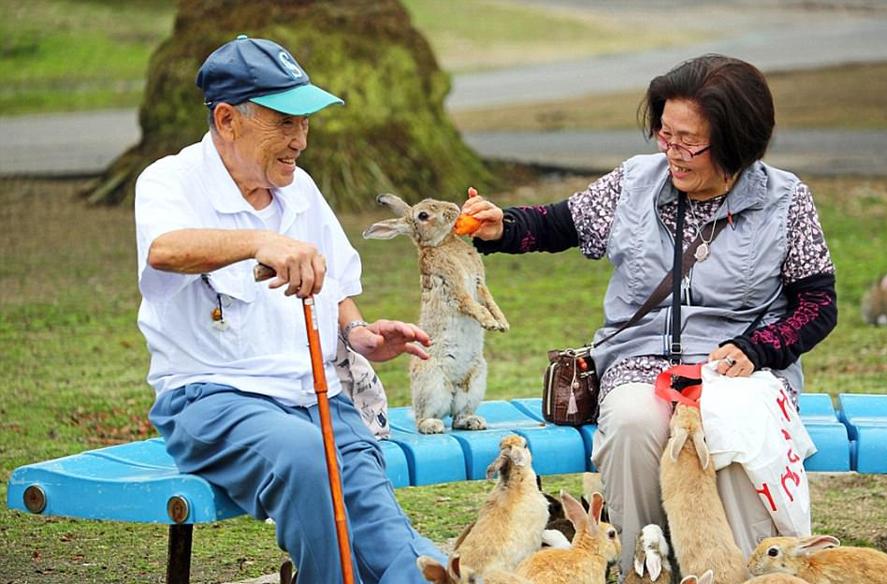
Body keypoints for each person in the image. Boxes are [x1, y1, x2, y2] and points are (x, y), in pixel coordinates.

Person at [461, 54, 837, 573]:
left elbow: (818, 304)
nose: (673, 153)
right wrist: (501, 227)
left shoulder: (786, 200)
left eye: (690, 141)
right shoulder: (636, 182)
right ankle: (646, 566)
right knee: (634, 424)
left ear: (736, 143)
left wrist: (757, 349)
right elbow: (560, 223)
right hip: (640, 361)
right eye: (664, 135)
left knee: (725, 439)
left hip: (738, 371)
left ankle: (744, 573)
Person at [134, 35, 445, 583]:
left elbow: (338, 287)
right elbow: (165, 250)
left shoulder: (299, 188)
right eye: (284, 122)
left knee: (397, 548)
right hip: (210, 398)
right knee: (306, 459)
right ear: (227, 119)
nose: (300, 140)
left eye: (305, 123)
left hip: (315, 398)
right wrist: (257, 242)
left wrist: (360, 334)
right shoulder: (169, 180)